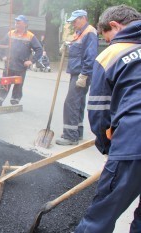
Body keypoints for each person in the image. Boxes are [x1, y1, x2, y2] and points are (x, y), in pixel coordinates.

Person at [75, 5, 141, 232]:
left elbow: (99, 112)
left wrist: (108, 149)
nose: (109, 42)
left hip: (133, 142)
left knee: (99, 218)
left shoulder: (111, 54)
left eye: (108, 37)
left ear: (115, 25)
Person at [56, 10, 98, 145]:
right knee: (78, 103)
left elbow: (90, 56)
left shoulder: (89, 32)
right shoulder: (79, 33)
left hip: (81, 73)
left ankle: (70, 136)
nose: (73, 24)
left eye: (75, 21)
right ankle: (77, 132)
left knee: (71, 103)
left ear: (83, 18)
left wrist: (84, 75)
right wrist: (67, 47)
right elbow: (78, 50)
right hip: (77, 72)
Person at [0, 15, 43, 107]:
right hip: (9, 64)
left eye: (19, 22)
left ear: (25, 24)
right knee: (5, 83)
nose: (16, 24)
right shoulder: (10, 33)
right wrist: (3, 56)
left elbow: (39, 50)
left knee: (18, 85)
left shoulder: (30, 36)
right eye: (16, 22)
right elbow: (1, 44)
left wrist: (31, 61)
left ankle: (15, 102)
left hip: (21, 66)